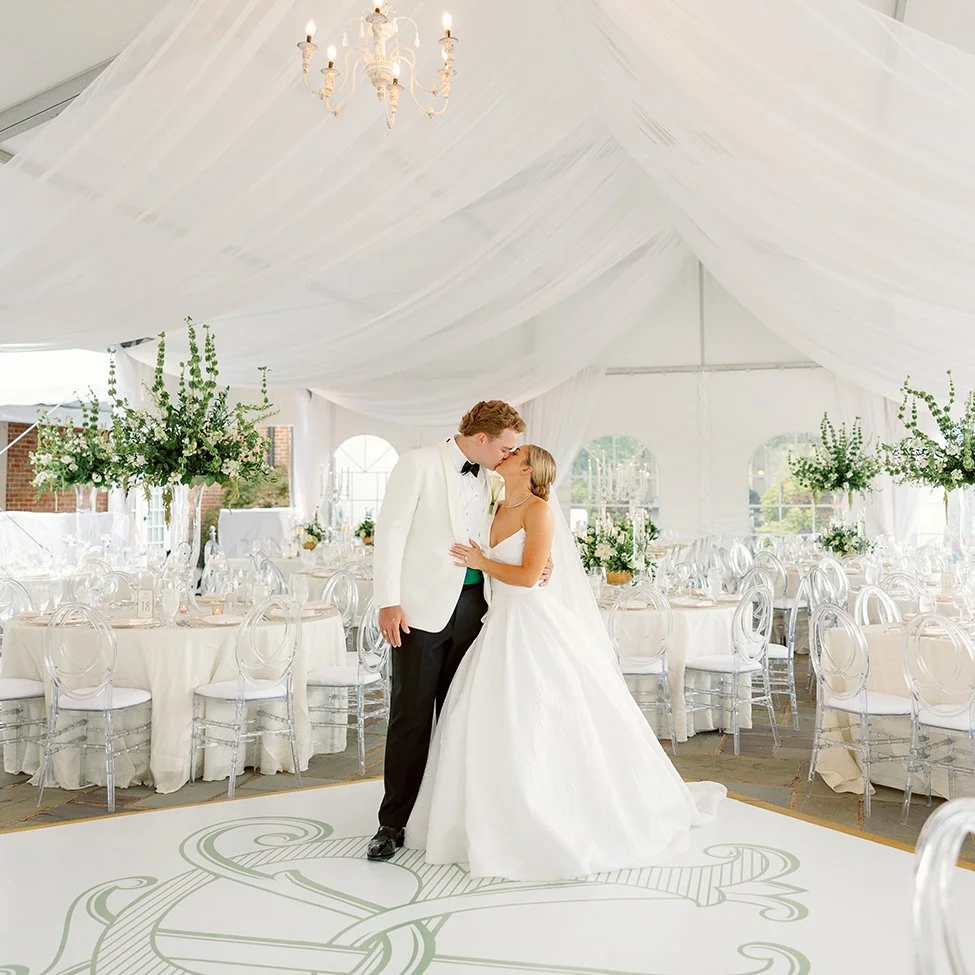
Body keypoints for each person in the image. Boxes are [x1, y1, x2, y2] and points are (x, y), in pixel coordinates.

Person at [404, 444, 725, 881]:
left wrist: (484, 561)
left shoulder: (538, 510)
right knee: (483, 716)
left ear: (527, 468)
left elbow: (529, 575)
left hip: (530, 620)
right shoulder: (495, 503)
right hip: (495, 623)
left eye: (514, 452)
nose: (506, 453)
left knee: (543, 713)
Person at [367, 400, 527, 861]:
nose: (508, 455)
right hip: (420, 611)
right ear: (482, 439)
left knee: (463, 717)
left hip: (479, 609)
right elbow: (391, 534)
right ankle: (392, 822)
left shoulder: (494, 478)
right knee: (412, 718)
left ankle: (448, 817)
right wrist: (388, 602)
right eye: (505, 446)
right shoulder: (417, 464)